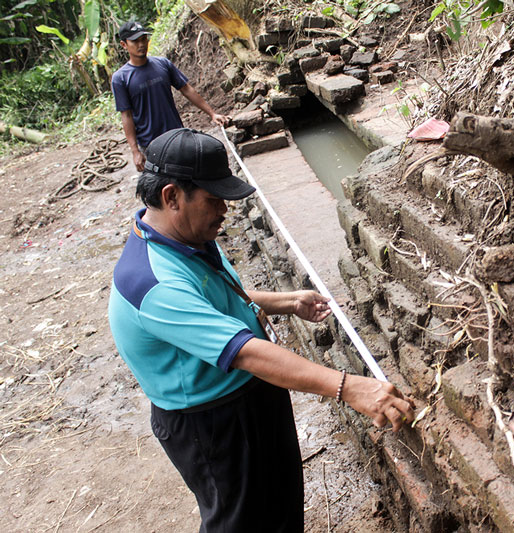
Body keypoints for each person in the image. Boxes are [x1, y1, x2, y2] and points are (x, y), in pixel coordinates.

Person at [107, 128, 415, 532]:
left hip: (250, 395)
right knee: (240, 521)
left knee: (281, 504)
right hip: (213, 423)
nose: (224, 211)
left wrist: (283, 301)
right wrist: (350, 387)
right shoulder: (153, 284)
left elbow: (209, 297)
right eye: (214, 200)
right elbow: (246, 352)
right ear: (171, 197)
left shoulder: (181, 237)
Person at [111, 21, 231, 172]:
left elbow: (186, 89)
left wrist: (212, 113)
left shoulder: (162, 64)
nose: (141, 44)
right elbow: (126, 115)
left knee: (187, 178)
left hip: (177, 135)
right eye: (135, 41)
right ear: (124, 44)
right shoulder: (120, 78)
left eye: (143, 39)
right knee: (162, 185)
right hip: (150, 144)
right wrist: (135, 151)